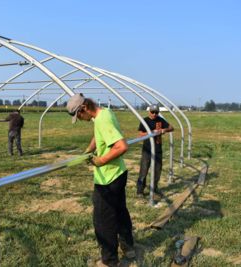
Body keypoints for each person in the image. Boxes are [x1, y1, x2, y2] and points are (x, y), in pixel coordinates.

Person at [66, 93, 135, 267]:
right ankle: (129, 247)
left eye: (79, 116)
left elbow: (122, 146)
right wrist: (88, 151)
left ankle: (109, 261)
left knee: (103, 220)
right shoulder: (104, 113)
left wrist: (100, 160)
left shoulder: (102, 119)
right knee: (120, 211)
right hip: (118, 173)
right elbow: (99, 136)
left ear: (83, 109)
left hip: (108, 178)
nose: (80, 119)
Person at [136, 104, 174, 196]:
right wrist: (151, 133)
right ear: (149, 111)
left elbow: (171, 128)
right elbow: (140, 134)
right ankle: (140, 191)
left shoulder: (160, 120)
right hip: (147, 150)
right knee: (143, 171)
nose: (154, 114)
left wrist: (164, 130)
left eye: (156, 112)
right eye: (152, 112)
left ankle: (154, 187)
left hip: (158, 149)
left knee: (157, 170)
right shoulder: (144, 121)